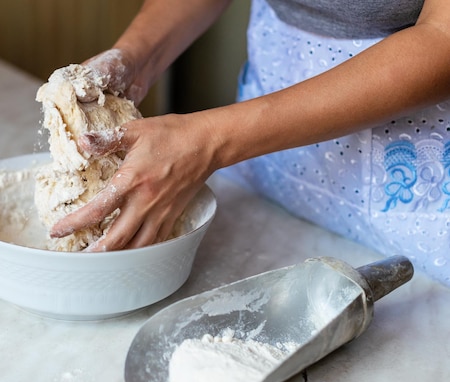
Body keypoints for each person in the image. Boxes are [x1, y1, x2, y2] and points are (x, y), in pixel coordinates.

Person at [49, 0, 450, 285]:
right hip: (268, 167)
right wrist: (136, 57)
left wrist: (212, 141)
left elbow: (442, 40)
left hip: (419, 195)